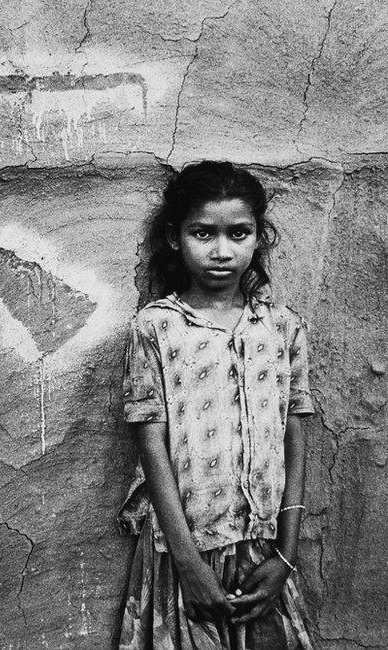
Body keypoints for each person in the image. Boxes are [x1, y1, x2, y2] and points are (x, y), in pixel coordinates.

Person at [116, 161, 316, 649]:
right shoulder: (157, 327)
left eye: (239, 233)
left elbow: (295, 438)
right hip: (182, 550)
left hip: (263, 554)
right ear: (175, 237)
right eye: (203, 233)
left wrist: (285, 557)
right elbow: (152, 444)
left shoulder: (282, 328)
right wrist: (187, 563)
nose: (222, 250)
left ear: (258, 238)